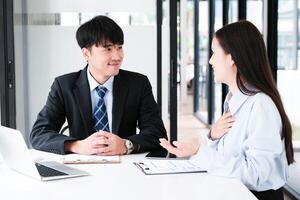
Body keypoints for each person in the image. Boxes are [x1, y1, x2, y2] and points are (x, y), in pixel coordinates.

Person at [160, 20, 294, 200]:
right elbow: (228, 158)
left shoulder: (261, 105)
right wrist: (212, 137)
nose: (210, 61)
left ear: (231, 58)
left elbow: (257, 175)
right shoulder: (233, 99)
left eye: (214, 53)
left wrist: (198, 152)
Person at [30, 15, 167, 156]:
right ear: (86, 53)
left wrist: (126, 145)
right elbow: (39, 134)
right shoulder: (64, 85)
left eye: (119, 47)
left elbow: (157, 133)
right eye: (108, 49)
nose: (117, 56)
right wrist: (77, 145)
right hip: (81, 167)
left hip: (125, 166)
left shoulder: (138, 84)